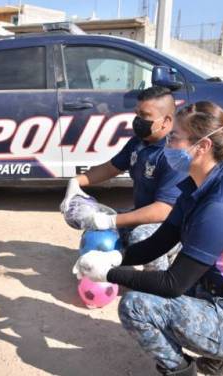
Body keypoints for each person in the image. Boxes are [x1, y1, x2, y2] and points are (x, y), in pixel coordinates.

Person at [73, 103, 223, 376]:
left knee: (136, 305)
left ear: (202, 146)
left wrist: (110, 273)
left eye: (174, 137)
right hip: (222, 294)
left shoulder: (220, 208)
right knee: (154, 285)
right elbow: (160, 241)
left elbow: (173, 284)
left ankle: (182, 371)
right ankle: (216, 356)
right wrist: (116, 257)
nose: (167, 142)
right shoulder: (201, 185)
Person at [61, 86, 187, 270]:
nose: (138, 120)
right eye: (137, 113)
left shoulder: (175, 154)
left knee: (141, 237)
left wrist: (112, 221)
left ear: (166, 121)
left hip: (173, 226)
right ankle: (111, 265)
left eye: (144, 115)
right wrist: (76, 182)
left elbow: (163, 210)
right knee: (87, 217)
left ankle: (160, 280)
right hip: (143, 215)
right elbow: (111, 167)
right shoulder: (139, 142)